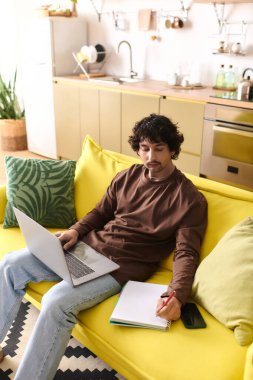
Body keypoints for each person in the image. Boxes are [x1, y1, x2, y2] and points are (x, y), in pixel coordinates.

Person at [0, 113, 207, 379]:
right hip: (86, 249)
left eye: (159, 149)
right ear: (137, 149)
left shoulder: (189, 199)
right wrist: (76, 230)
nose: (151, 157)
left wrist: (177, 293)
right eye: (145, 149)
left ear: (173, 150)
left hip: (119, 269)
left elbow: (186, 252)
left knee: (56, 302)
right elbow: (100, 212)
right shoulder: (128, 176)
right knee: (10, 264)